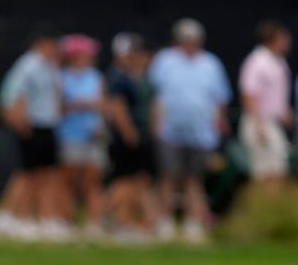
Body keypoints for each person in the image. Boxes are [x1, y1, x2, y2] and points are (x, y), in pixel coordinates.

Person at [149, 18, 231, 243]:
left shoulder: (211, 64)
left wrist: (219, 122)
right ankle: (164, 223)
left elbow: (220, 99)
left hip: (201, 131)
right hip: (170, 130)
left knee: (194, 179)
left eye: (193, 39)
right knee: (168, 177)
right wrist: (156, 123)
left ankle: (193, 223)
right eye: (185, 39)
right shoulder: (164, 61)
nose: (190, 44)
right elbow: (156, 96)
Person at [0, 28, 65, 241]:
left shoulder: (51, 67)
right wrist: (20, 123)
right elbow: (11, 96)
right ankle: (18, 218)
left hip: (48, 125)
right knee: (28, 173)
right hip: (32, 125)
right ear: (41, 43)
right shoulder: (28, 65)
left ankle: (45, 218)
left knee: (47, 174)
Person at [105, 33, 159, 241]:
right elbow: (117, 106)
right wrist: (129, 132)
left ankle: (128, 221)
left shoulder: (143, 78)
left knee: (139, 181)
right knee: (124, 181)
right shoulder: (120, 78)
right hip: (127, 138)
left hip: (142, 135)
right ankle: (114, 219)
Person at [57, 34, 106, 239]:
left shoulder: (96, 77)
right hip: (70, 135)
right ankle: (67, 220)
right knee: (69, 181)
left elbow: (102, 104)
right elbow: (60, 106)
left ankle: (94, 222)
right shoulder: (62, 77)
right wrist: (78, 105)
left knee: (92, 181)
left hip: (93, 136)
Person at [239, 21, 292, 189]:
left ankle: (271, 210)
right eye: (283, 38)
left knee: (278, 170)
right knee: (263, 174)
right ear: (272, 40)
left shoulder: (279, 61)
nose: (287, 41)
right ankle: (262, 212)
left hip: (273, 123)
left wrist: (285, 110)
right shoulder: (257, 61)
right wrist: (258, 126)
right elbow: (249, 95)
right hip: (259, 122)